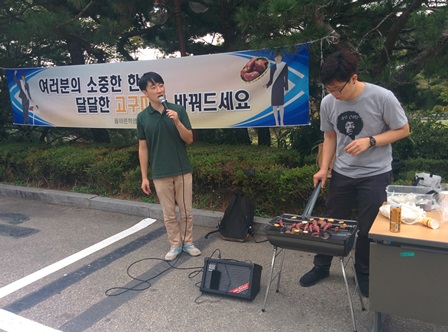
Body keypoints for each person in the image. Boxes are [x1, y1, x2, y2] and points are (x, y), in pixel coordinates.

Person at [299, 50, 410, 297]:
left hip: (376, 172)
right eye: (329, 90)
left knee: (369, 227)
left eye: (338, 89)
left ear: (353, 78)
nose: (335, 95)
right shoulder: (329, 102)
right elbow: (329, 136)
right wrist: (324, 168)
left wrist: (370, 141)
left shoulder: (382, 97)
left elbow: (403, 129)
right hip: (343, 172)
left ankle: (364, 271)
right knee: (330, 221)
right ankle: (322, 266)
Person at [137, 72, 201, 261]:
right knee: (169, 213)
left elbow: (189, 139)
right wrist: (144, 177)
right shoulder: (142, 117)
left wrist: (177, 121)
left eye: (161, 85)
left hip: (182, 170)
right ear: (145, 92)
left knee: (186, 210)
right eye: (154, 87)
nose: (159, 90)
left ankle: (188, 242)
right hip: (160, 172)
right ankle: (175, 244)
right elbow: (143, 147)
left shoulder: (178, 110)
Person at [265, 52, 288, 126]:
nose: (277, 58)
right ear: (274, 59)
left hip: (281, 87)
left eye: (279, 57)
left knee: (281, 105)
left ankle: (281, 121)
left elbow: (286, 77)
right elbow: (271, 79)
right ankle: (276, 121)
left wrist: (286, 87)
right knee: (274, 105)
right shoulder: (273, 67)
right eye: (276, 57)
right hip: (274, 88)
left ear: (281, 57)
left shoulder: (284, 65)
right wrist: (267, 85)